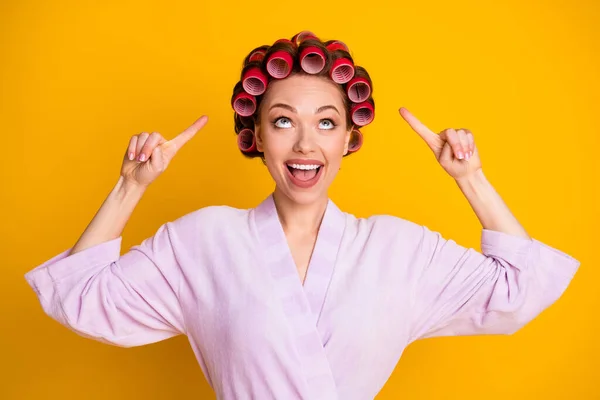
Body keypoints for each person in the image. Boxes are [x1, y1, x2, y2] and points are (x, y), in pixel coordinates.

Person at [24, 31, 580, 400]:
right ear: (258, 137)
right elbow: (79, 297)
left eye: (327, 123)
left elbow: (521, 287)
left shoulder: (398, 250)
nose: (306, 143)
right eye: (284, 121)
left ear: (348, 139)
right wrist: (129, 187)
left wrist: (470, 179)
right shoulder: (203, 241)